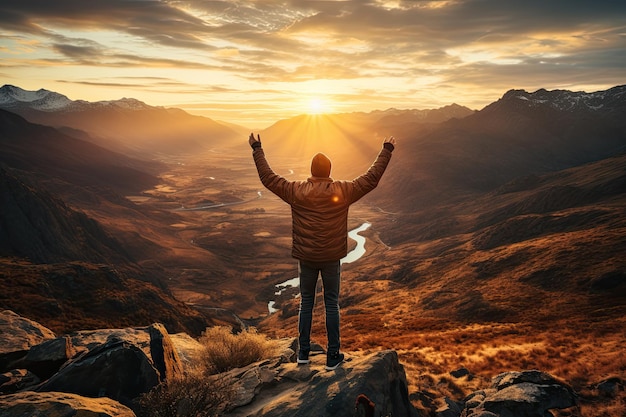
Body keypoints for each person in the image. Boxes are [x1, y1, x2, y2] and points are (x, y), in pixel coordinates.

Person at [249, 133, 396, 370]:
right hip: (331, 257)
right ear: (329, 171)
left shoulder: (296, 190)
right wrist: (386, 150)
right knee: (331, 304)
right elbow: (371, 179)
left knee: (306, 303)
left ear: (311, 171)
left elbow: (269, 178)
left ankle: (303, 354)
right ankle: (333, 355)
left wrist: (257, 148)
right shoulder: (343, 190)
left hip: (306, 257)